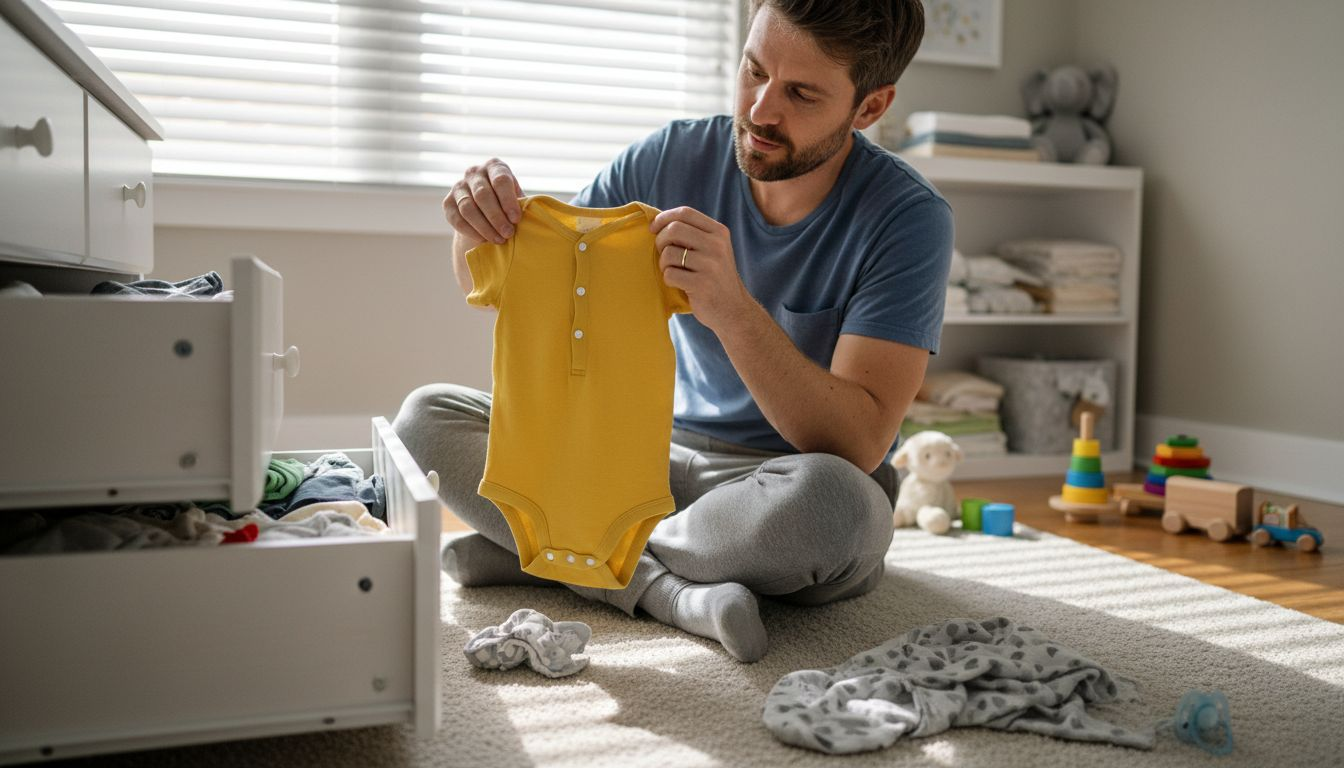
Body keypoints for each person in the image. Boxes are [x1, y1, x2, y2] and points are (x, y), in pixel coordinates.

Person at [394, 0, 952, 663]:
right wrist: (473, 230)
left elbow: (858, 442)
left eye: (801, 93)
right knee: (425, 422)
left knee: (842, 511)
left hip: (778, 486)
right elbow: (512, 289)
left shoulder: (909, 219)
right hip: (642, 458)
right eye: (753, 70)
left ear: (869, 107)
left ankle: (558, 551)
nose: (761, 109)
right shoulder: (670, 156)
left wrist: (731, 309)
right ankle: (663, 590)